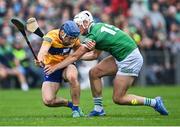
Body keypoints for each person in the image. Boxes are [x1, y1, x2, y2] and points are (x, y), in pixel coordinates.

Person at [44, 11, 168, 116]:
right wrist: (74, 57)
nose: (76, 28)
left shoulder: (93, 35)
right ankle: (99, 109)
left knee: (119, 98)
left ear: (86, 23)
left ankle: (154, 102)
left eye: (78, 25)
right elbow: (94, 55)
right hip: (121, 56)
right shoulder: (97, 28)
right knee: (94, 73)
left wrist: (56, 66)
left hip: (130, 59)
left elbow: (76, 56)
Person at [35, 20, 84, 118]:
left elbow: (80, 53)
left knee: (72, 77)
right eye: (69, 38)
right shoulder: (50, 36)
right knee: (48, 100)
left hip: (66, 65)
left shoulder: (74, 40)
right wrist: (39, 60)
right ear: (62, 32)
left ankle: (76, 107)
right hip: (51, 67)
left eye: (74, 38)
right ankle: (70, 104)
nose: (71, 41)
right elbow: (43, 51)